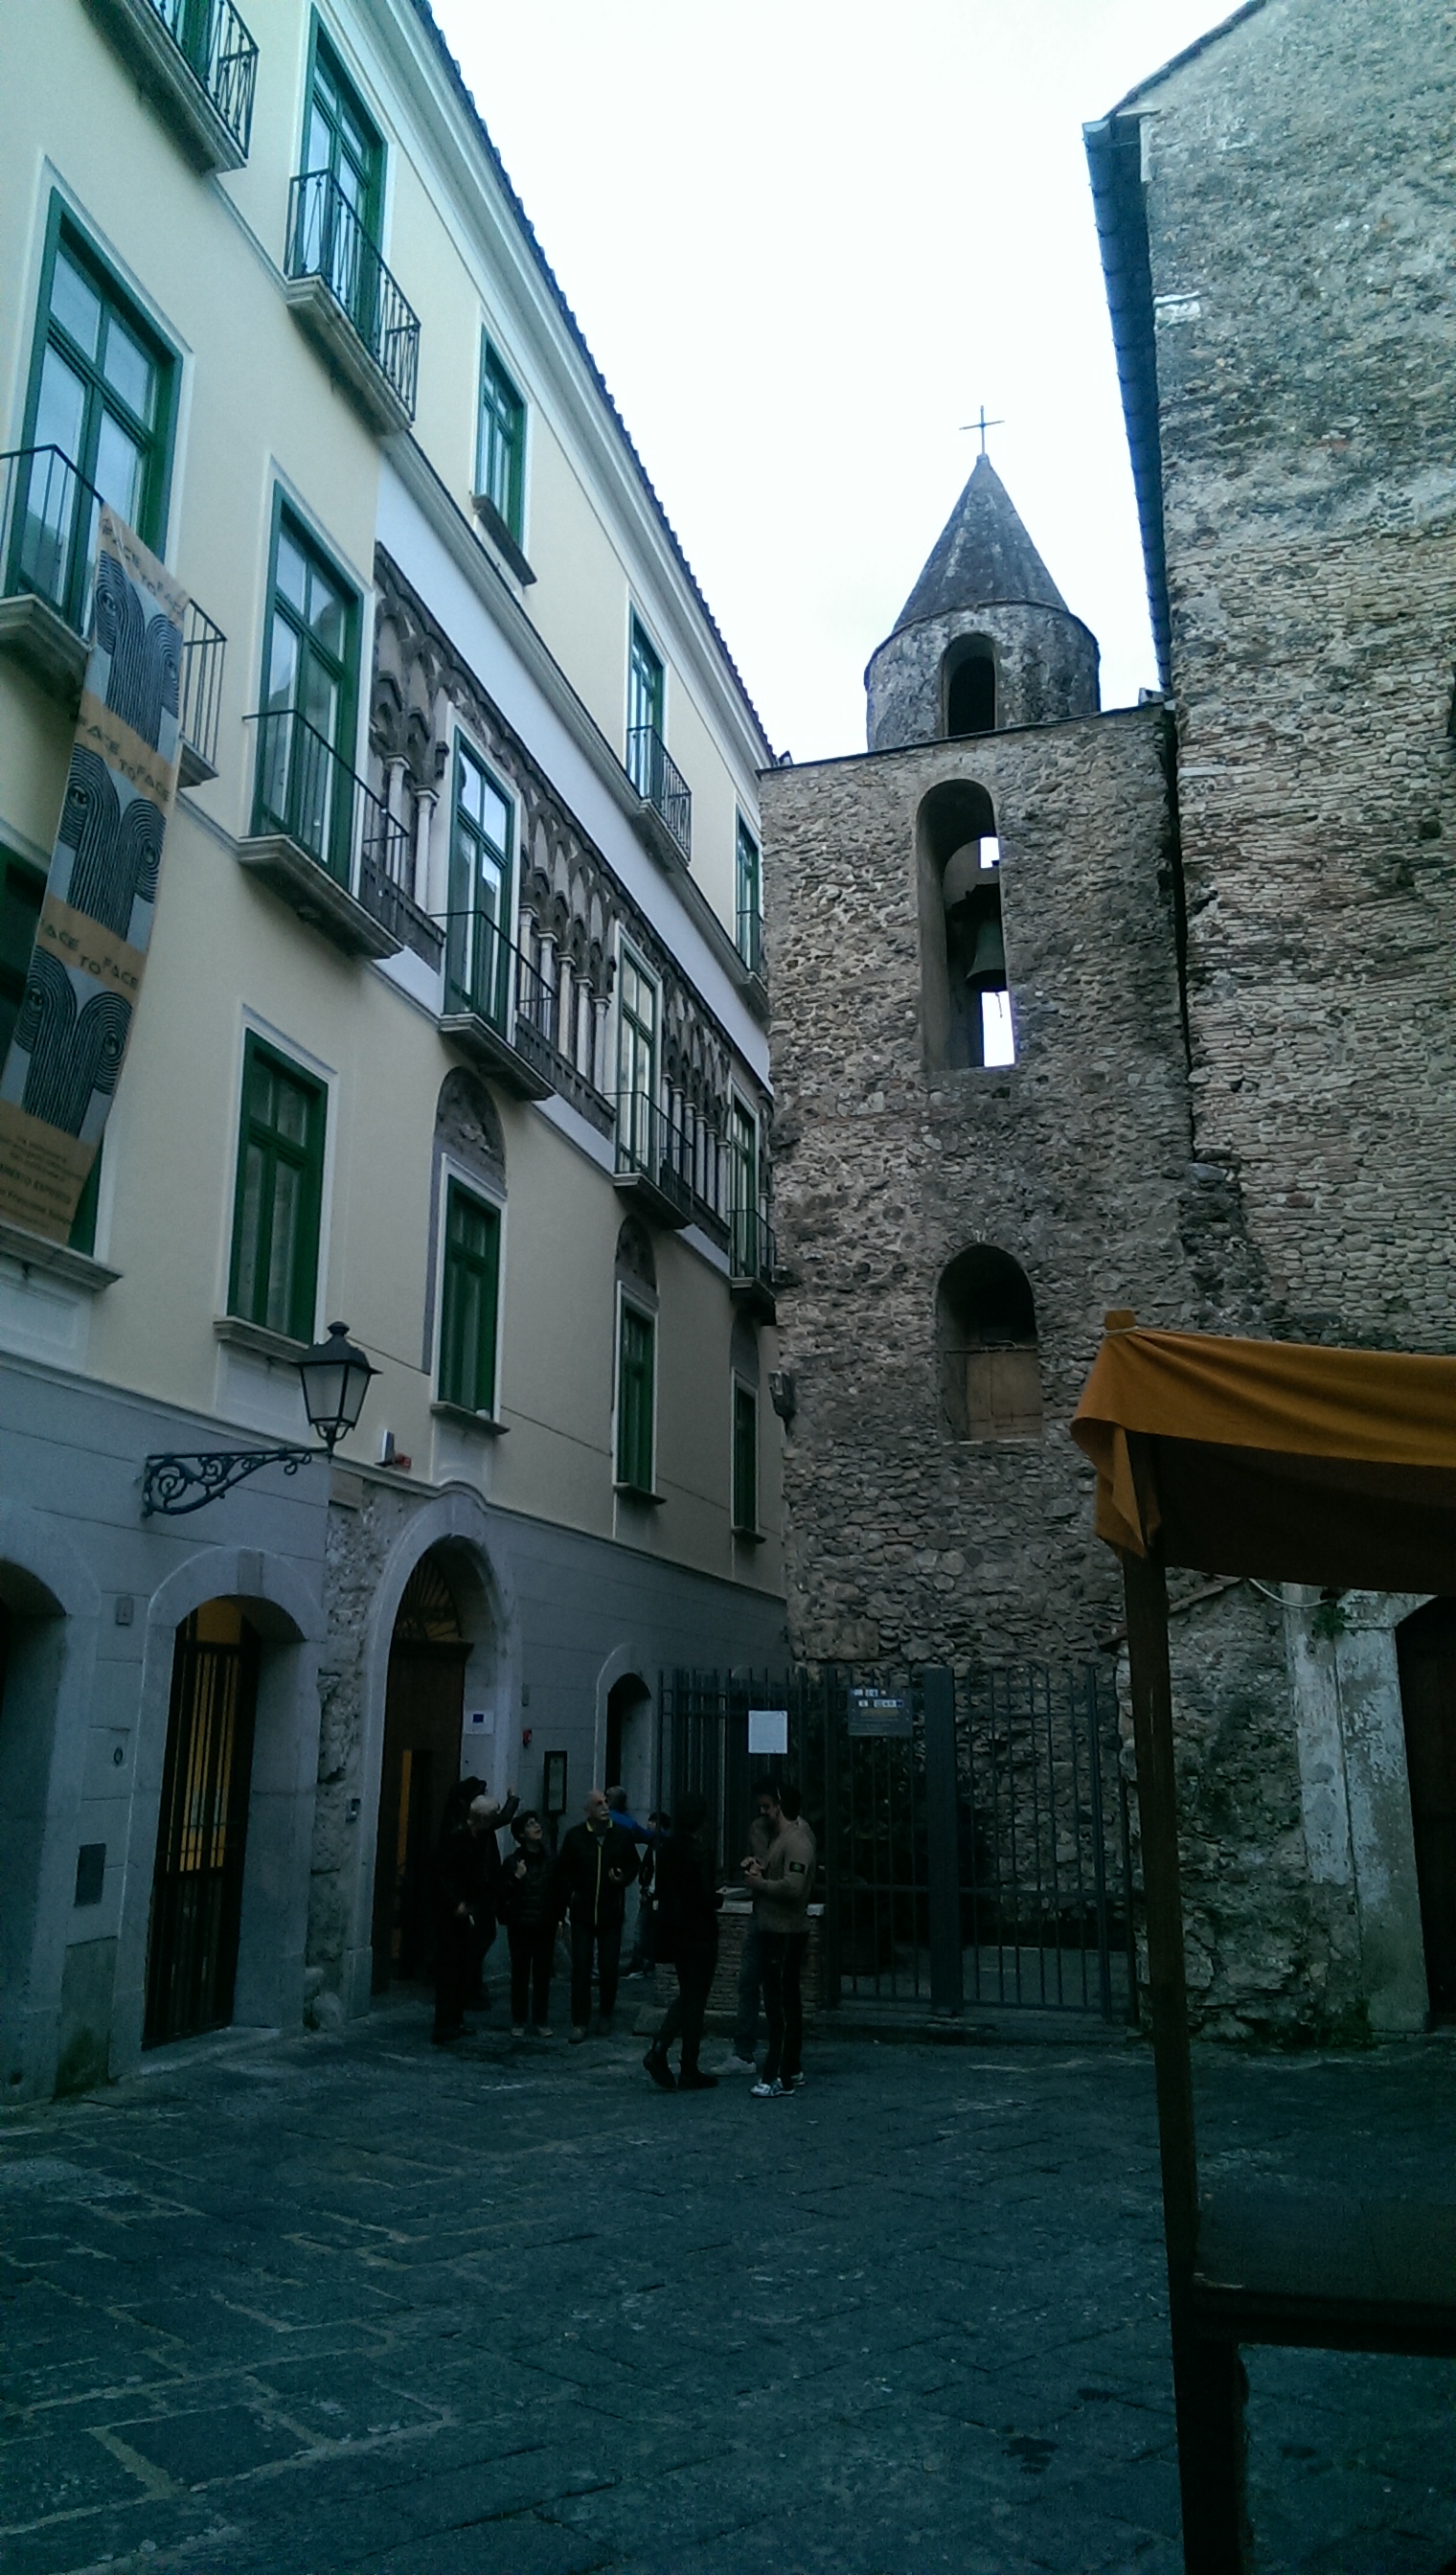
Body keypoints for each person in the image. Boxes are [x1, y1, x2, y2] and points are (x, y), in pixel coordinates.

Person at [643, 1791, 722, 2092]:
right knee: (695, 1999)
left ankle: (663, 2050)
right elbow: (703, 1896)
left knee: (688, 1995)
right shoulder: (700, 1851)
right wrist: (718, 1898)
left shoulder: (666, 1849)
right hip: (699, 1932)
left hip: (674, 1931)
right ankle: (684, 2063)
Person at [742, 1781, 816, 2097]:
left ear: (780, 1807)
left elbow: (793, 1887)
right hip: (778, 1929)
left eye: (768, 1807)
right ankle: (792, 2068)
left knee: (780, 2005)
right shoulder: (786, 1837)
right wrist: (759, 1869)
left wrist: (759, 1884)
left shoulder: (797, 1840)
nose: (764, 1812)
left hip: (786, 1932)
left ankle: (777, 2075)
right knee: (784, 2000)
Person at [554, 1788, 640, 2041]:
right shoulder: (576, 1837)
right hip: (582, 1912)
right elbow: (563, 1871)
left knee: (609, 1966)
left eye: (606, 1802)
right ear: (588, 1811)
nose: (604, 1807)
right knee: (581, 1967)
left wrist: (623, 1877)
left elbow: (633, 1863)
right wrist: (568, 1899)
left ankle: (605, 2013)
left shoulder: (621, 1836)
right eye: (599, 1804)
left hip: (610, 1912)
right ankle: (579, 2021)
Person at [432, 1793, 509, 2043]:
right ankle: (445, 2024)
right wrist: (457, 1903)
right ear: (483, 1818)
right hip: (453, 1912)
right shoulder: (457, 1838)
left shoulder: (478, 1837)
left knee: (462, 1965)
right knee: (450, 1969)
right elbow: (442, 1873)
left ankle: (455, 2019)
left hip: (469, 1908)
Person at [720, 1779, 781, 2072]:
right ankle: (744, 2051)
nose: (763, 1812)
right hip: (760, 1912)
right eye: (761, 1806)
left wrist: (761, 1870)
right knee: (748, 1981)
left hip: (782, 1915)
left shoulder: (796, 1833)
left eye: (768, 1806)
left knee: (777, 1985)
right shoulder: (757, 1827)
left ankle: (781, 2052)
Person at [495, 1810, 558, 2036]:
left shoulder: (551, 1859)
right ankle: (519, 2019)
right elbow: (502, 1893)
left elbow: (557, 1890)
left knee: (542, 1974)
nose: (537, 1827)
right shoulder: (513, 1862)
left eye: (537, 1823)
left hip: (544, 1923)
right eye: (531, 1825)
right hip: (520, 1923)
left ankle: (541, 2020)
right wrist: (516, 1877)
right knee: (520, 1972)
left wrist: (559, 1918)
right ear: (522, 1834)